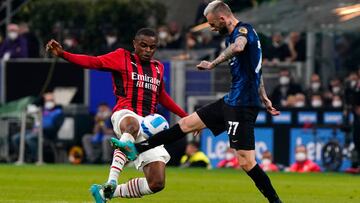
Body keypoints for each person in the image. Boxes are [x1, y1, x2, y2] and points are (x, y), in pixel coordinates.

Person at [111, 1, 282, 202]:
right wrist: (264, 96)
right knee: (186, 124)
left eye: (212, 23)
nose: (211, 27)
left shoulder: (242, 31)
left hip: (242, 106)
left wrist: (212, 63)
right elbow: (256, 69)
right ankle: (137, 149)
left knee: (246, 162)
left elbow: (238, 47)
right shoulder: (235, 36)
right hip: (231, 100)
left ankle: (275, 201)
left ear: (222, 18)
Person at [46, 28, 188, 202]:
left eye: (152, 47)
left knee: (157, 183)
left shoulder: (158, 67)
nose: (148, 50)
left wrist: (185, 116)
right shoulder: (122, 57)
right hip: (125, 113)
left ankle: (107, 192)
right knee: (132, 125)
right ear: (135, 44)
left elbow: (162, 96)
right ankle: (112, 179)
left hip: (148, 126)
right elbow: (93, 62)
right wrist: (63, 54)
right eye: (144, 46)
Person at [11, 92, 64, 162]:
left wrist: (41, 130)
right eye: (47, 100)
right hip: (34, 131)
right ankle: (24, 158)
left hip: (46, 133)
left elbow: (55, 127)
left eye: (51, 100)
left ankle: (35, 159)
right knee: (16, 138)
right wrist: (42, 97)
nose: (49, 102)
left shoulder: (58, 112)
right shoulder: (42, 110)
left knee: (29, 138)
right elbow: (33, 104)